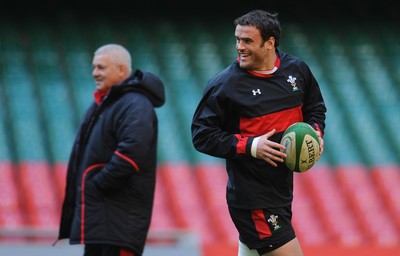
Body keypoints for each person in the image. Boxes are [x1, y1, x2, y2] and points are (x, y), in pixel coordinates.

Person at [191, 10, 326, 256]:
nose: (239, 47)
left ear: (270, 42)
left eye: (247, 41)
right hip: (252, 198)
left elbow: (315, 108)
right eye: (237, 39)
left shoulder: (297, 70)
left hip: (282, 190)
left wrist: (315, 132)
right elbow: (202, 135)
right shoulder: (225, 85)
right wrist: (252, 146)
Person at [57, 44, 165, 256]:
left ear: (122, 70)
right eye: (94, 67)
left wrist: (97, 185)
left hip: (118, 223)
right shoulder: (108, 103)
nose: (94, 73)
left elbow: (131, 155)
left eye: (101, 68)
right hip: (104, 222)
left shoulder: (135, 104)